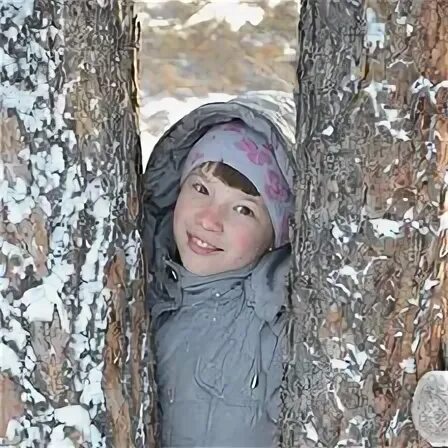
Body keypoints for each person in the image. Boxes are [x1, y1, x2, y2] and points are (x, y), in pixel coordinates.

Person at [143, 91, 297, 447]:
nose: (209, 220)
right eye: (201, 188)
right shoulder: (143, 292)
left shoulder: (281, 317)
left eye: (243, 209)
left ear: (277, 234)